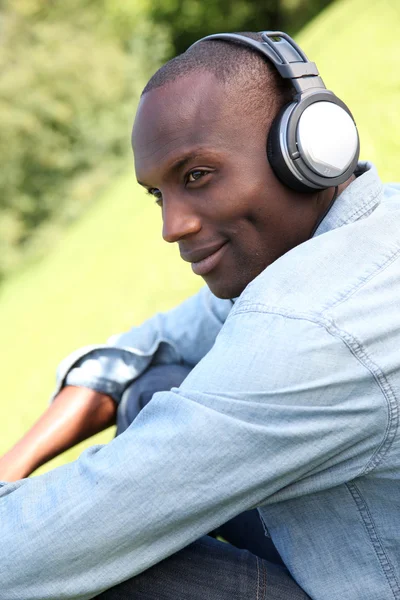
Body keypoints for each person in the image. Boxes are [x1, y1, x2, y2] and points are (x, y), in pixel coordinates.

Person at [0, 29, 400, 600]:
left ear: (312, 152)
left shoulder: (313, 334)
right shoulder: (359, 232)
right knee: (151, 387)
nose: (172, 227)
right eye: (160, 196)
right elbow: (155, 342)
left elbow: (31, 550)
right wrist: (13, 463)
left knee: (104, 567)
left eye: (196, 176)